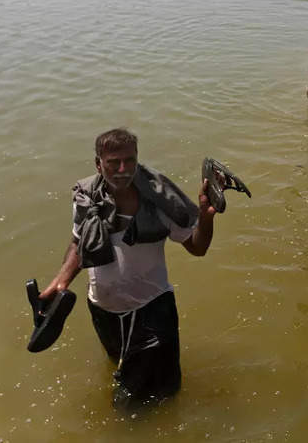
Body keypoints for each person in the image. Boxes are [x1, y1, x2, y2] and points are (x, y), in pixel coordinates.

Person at [36, 128, 218, 409]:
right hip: (103, 308)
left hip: (151, 308)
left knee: (144, 400)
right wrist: (60, 282)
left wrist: (206, 217)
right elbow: (78, 242)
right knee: (118, 364)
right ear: (99, 164)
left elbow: (197, 248)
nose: (123, 169)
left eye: (130, 161)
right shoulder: (87, 196)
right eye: (114, 162)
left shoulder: (160, 202)